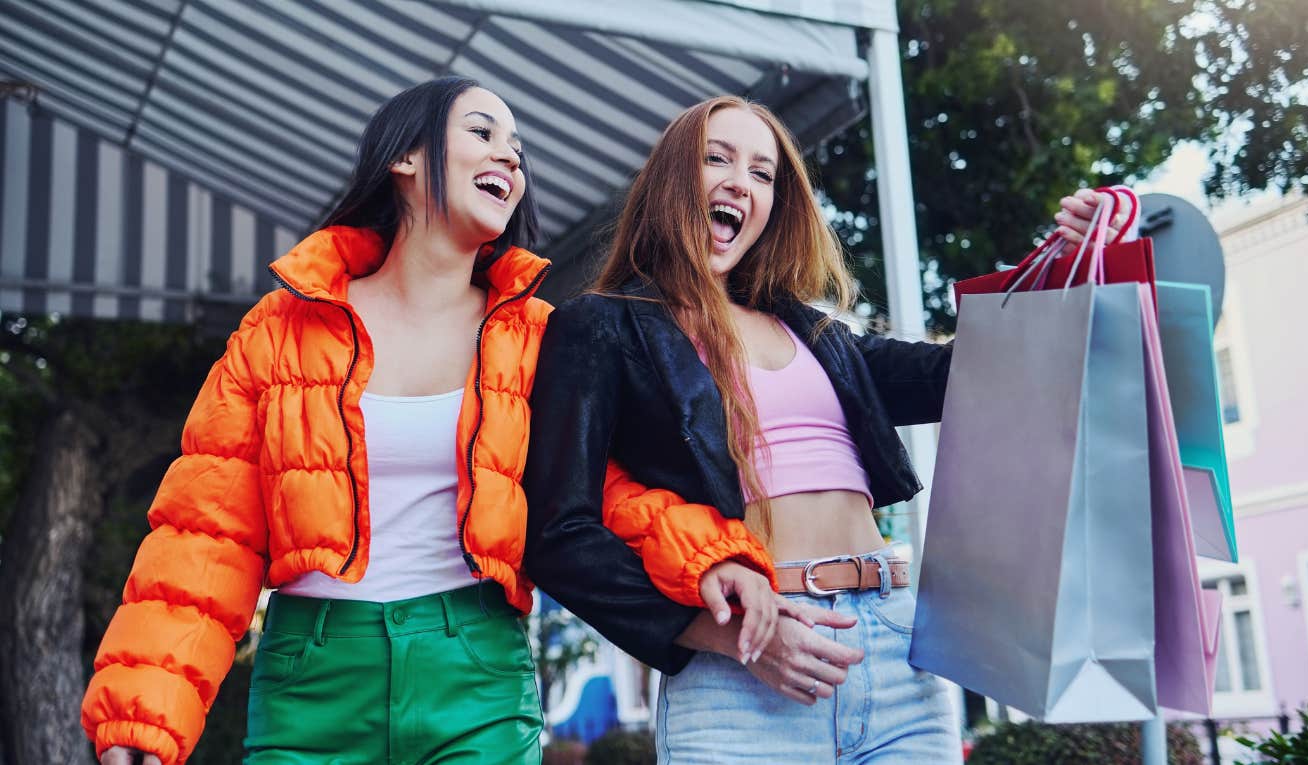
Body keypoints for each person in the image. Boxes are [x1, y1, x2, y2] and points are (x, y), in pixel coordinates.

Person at [80, 78, 791, 765]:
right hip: (312, 678)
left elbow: (602, 485)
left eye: (518, 147)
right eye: (482, 132)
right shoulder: (284, 327)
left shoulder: (541, 337)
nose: (510, 155)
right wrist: (146, 705)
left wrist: (711, 553)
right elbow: (206, 534)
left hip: (476, 668)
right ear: (405, 158)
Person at [522, 95, 1123, 763]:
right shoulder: (601, 326)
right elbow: (557, 532)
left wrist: (1067, 264)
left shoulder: (813, 332)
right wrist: (718, 632)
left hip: (893, 648)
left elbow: (964, 374)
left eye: (762, 173)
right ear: (669, 180)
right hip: (743, 669)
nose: (738, 182)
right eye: (715, 158)